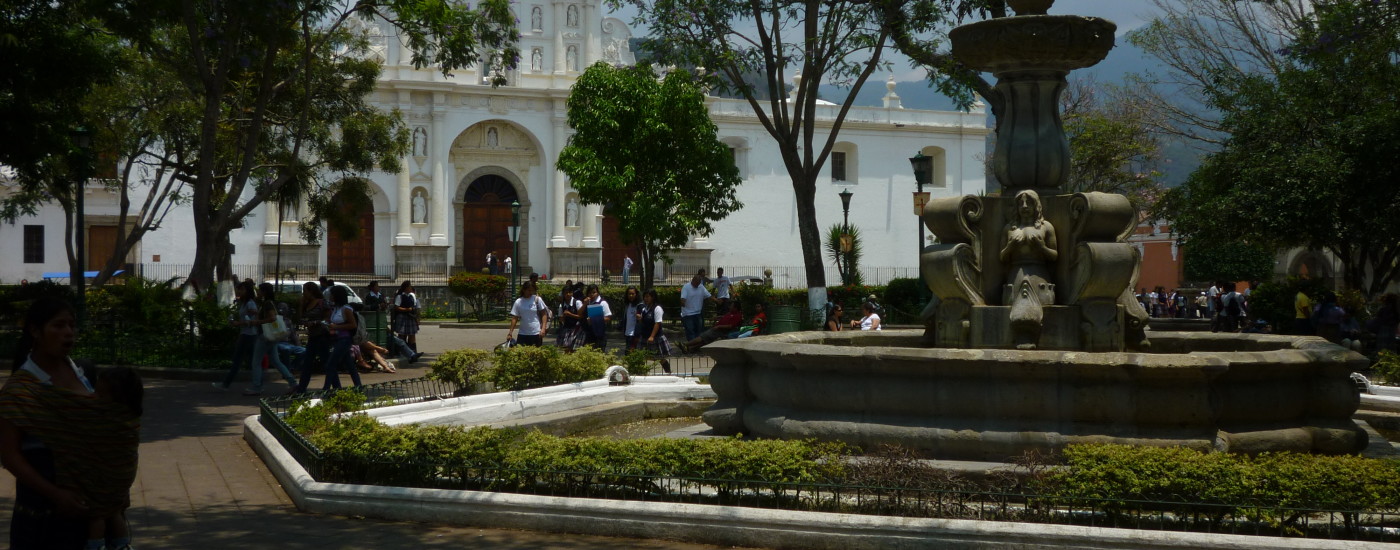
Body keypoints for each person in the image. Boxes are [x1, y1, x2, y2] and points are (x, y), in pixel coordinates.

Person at [0, 297, 100, 549]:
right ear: (35, 331)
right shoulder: (19, 390)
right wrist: (56, 495)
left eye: (71, 325)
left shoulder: (83, 374)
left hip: (92, 510)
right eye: (58, 325)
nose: (68, 332)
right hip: (42, 516)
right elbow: (9, 456)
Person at [215, 280, 268, 396]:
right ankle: (257, 384)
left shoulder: (250, 303)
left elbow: (253, 319)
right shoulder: (244, 303)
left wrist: (239, 323)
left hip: (249, 335)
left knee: (242, 360)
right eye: (239, 289)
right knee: (249, 361)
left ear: (247, 291)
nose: (239, 291)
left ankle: (227, 384)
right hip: (246, 334)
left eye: (242, 289)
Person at [246, 282, 299, 395]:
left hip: (265, 336)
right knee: (276, 361)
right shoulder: (268, 303)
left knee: (256, 362)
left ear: (264, 291)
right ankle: (293, 382)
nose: (258, 292)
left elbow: (272, 318)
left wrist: (257, 322)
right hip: (271, 337)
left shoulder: (267, 303)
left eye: (259, 290)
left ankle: (256, 387)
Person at [292, 282, 337, 394]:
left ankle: (336, 387)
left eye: (305, 291)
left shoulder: (322, 303)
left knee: (326, 362)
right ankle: (301, 389)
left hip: (322, 336)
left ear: (311, 291)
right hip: (312, 336)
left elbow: (328, 319)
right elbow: (299, 319)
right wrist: (301, 305)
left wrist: (316, 322)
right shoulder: (307, 304)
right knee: (307, 363)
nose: (304, 293)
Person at [324, 285, 364, 388]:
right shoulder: (336, 308)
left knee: (330, 365)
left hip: (344, 339)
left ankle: (326, 390)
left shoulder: (346, 309)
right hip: (337, 339)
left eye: (332, 295)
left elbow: (353, 324)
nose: (330, 297)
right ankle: (358, 387)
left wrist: (337, 326)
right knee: (350, 366)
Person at [676, 301, 743, 353]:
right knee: (705, 341)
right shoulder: (730, 313)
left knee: (703, 337)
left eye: (731, 306)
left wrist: (719, 326)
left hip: (721, 330)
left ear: (735, 308)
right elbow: (725, 317)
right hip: (718, 328)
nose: (730, 307)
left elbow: (730, 326)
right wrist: (718, 317)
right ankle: (689, 349)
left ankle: (685, 344)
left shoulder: (738, 316)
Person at [634, 289, 672, 373]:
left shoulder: (657, 308)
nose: (645, 299)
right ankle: (641, 373)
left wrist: (652, 336)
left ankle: (668, 372)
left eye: (648, 297)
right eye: (644, 297)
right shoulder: (644, 309)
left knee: (659, 358)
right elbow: (643, 322)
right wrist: (640, 318)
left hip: (655, 337)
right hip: (644, 336)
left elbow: (657, 323)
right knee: (641, 357)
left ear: (653, 297)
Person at [506, 282, 550, 347]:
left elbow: (544, 314)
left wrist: (543, 329)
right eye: (529, 290)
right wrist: (510, 333)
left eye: (532, 290)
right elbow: (514, 318)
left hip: (536, 332)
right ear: (524, 290)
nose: (530, 292)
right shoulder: (518, 302)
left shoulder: (537, 300)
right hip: (522, 333)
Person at [680, 269, 712, 342]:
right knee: (690, 331)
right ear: (693, 281)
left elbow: (708, 295)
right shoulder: (686, 287)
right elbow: (683, 298)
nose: (698, 285)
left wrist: (716, 300)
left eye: (699, 283)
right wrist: (683, 302)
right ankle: (691, 346)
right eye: (697, 283)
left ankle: (695, 346)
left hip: (698, 313)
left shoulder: (701, 286)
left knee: (699, 331)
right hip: (688, 314)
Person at [581, 284, 613, 351]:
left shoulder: (602, 303)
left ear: (597, 293)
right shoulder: (587, 303)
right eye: (589, 293)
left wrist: (594, 320)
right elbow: (579, 314)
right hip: (588, 334)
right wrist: (584, 304)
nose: (592, 294)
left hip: (599, 334)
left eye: (594, 292)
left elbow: (608, 318)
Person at [392, 281, 420, 351]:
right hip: (402, 317)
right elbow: (396, 307)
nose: (411, 288)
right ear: (406, 287)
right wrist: (406, 309)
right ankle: (401, 351)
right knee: (402, 335)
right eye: (410, 286)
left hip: (411, 317)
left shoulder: (411, 296)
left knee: (412, 334)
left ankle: (413, 351)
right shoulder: (400, 296)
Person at [556, 286, 583, 351]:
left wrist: (570, 314)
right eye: (566, 293)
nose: (568, 294)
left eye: (569, 292)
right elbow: (560, 319)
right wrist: (563, 316)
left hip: (577, 329)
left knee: (575, 349)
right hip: (566, 329)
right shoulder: (561, 305)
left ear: (572, 293)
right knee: (565, 348)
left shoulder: (577, 302)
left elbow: (581, 316)